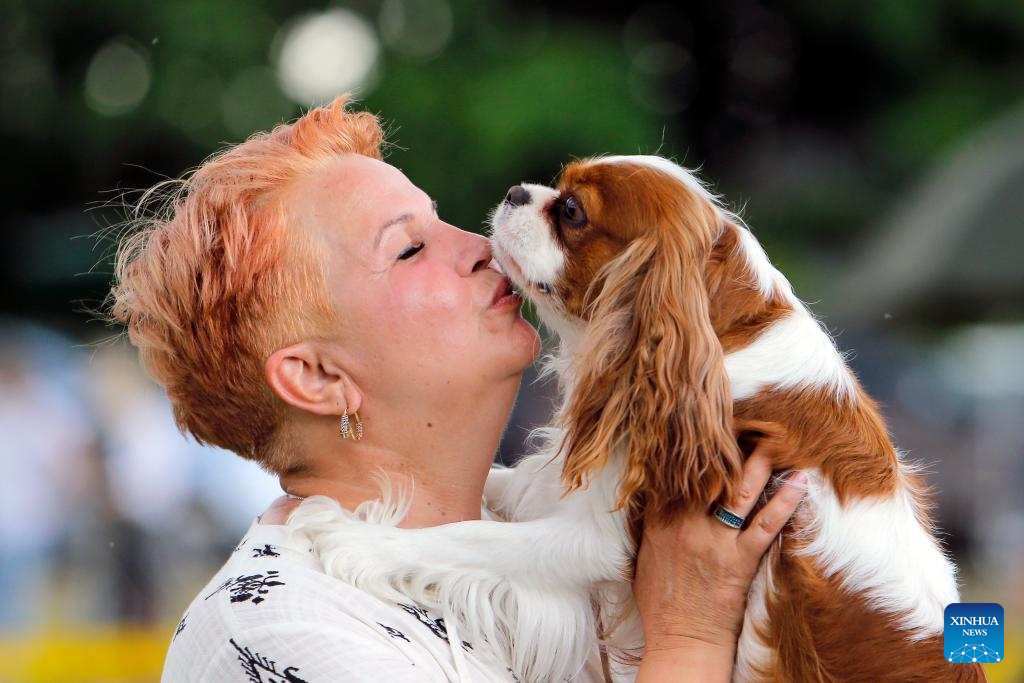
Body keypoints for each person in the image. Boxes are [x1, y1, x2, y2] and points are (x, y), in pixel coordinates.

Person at [109, 94, 807, 682]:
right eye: (408, 248)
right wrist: (688, 634)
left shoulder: (569, 529)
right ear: (317, 377)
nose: (477, 245)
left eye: (439, 215)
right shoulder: (277, 629)